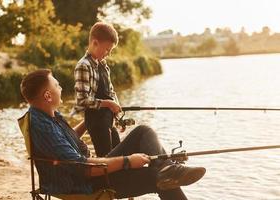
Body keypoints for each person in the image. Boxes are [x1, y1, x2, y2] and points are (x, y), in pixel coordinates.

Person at [20, 69, 206, 200]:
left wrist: (90, 120)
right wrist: (127, 161)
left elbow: (65, 144)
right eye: (57, 85)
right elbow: (82, 168)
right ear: (47, 95)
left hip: (85, 171)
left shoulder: (44, 116)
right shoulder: (44, 126)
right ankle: (167, 170)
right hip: (84, 183)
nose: (60, 88)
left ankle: (168, 168)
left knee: (143, 132)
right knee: (155, 176)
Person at [72, 22, 121, 157]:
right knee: (106, 158)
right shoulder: (83, 65)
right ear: (95, 43)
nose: (108, 54)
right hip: (96, 122)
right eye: (107, 49)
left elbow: (110, 92)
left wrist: (117, 114)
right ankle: (104, 179)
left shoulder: (103, 65)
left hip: (109, 119)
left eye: (111, 51)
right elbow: (82, 101)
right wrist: (109, 104)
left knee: (120, 154)